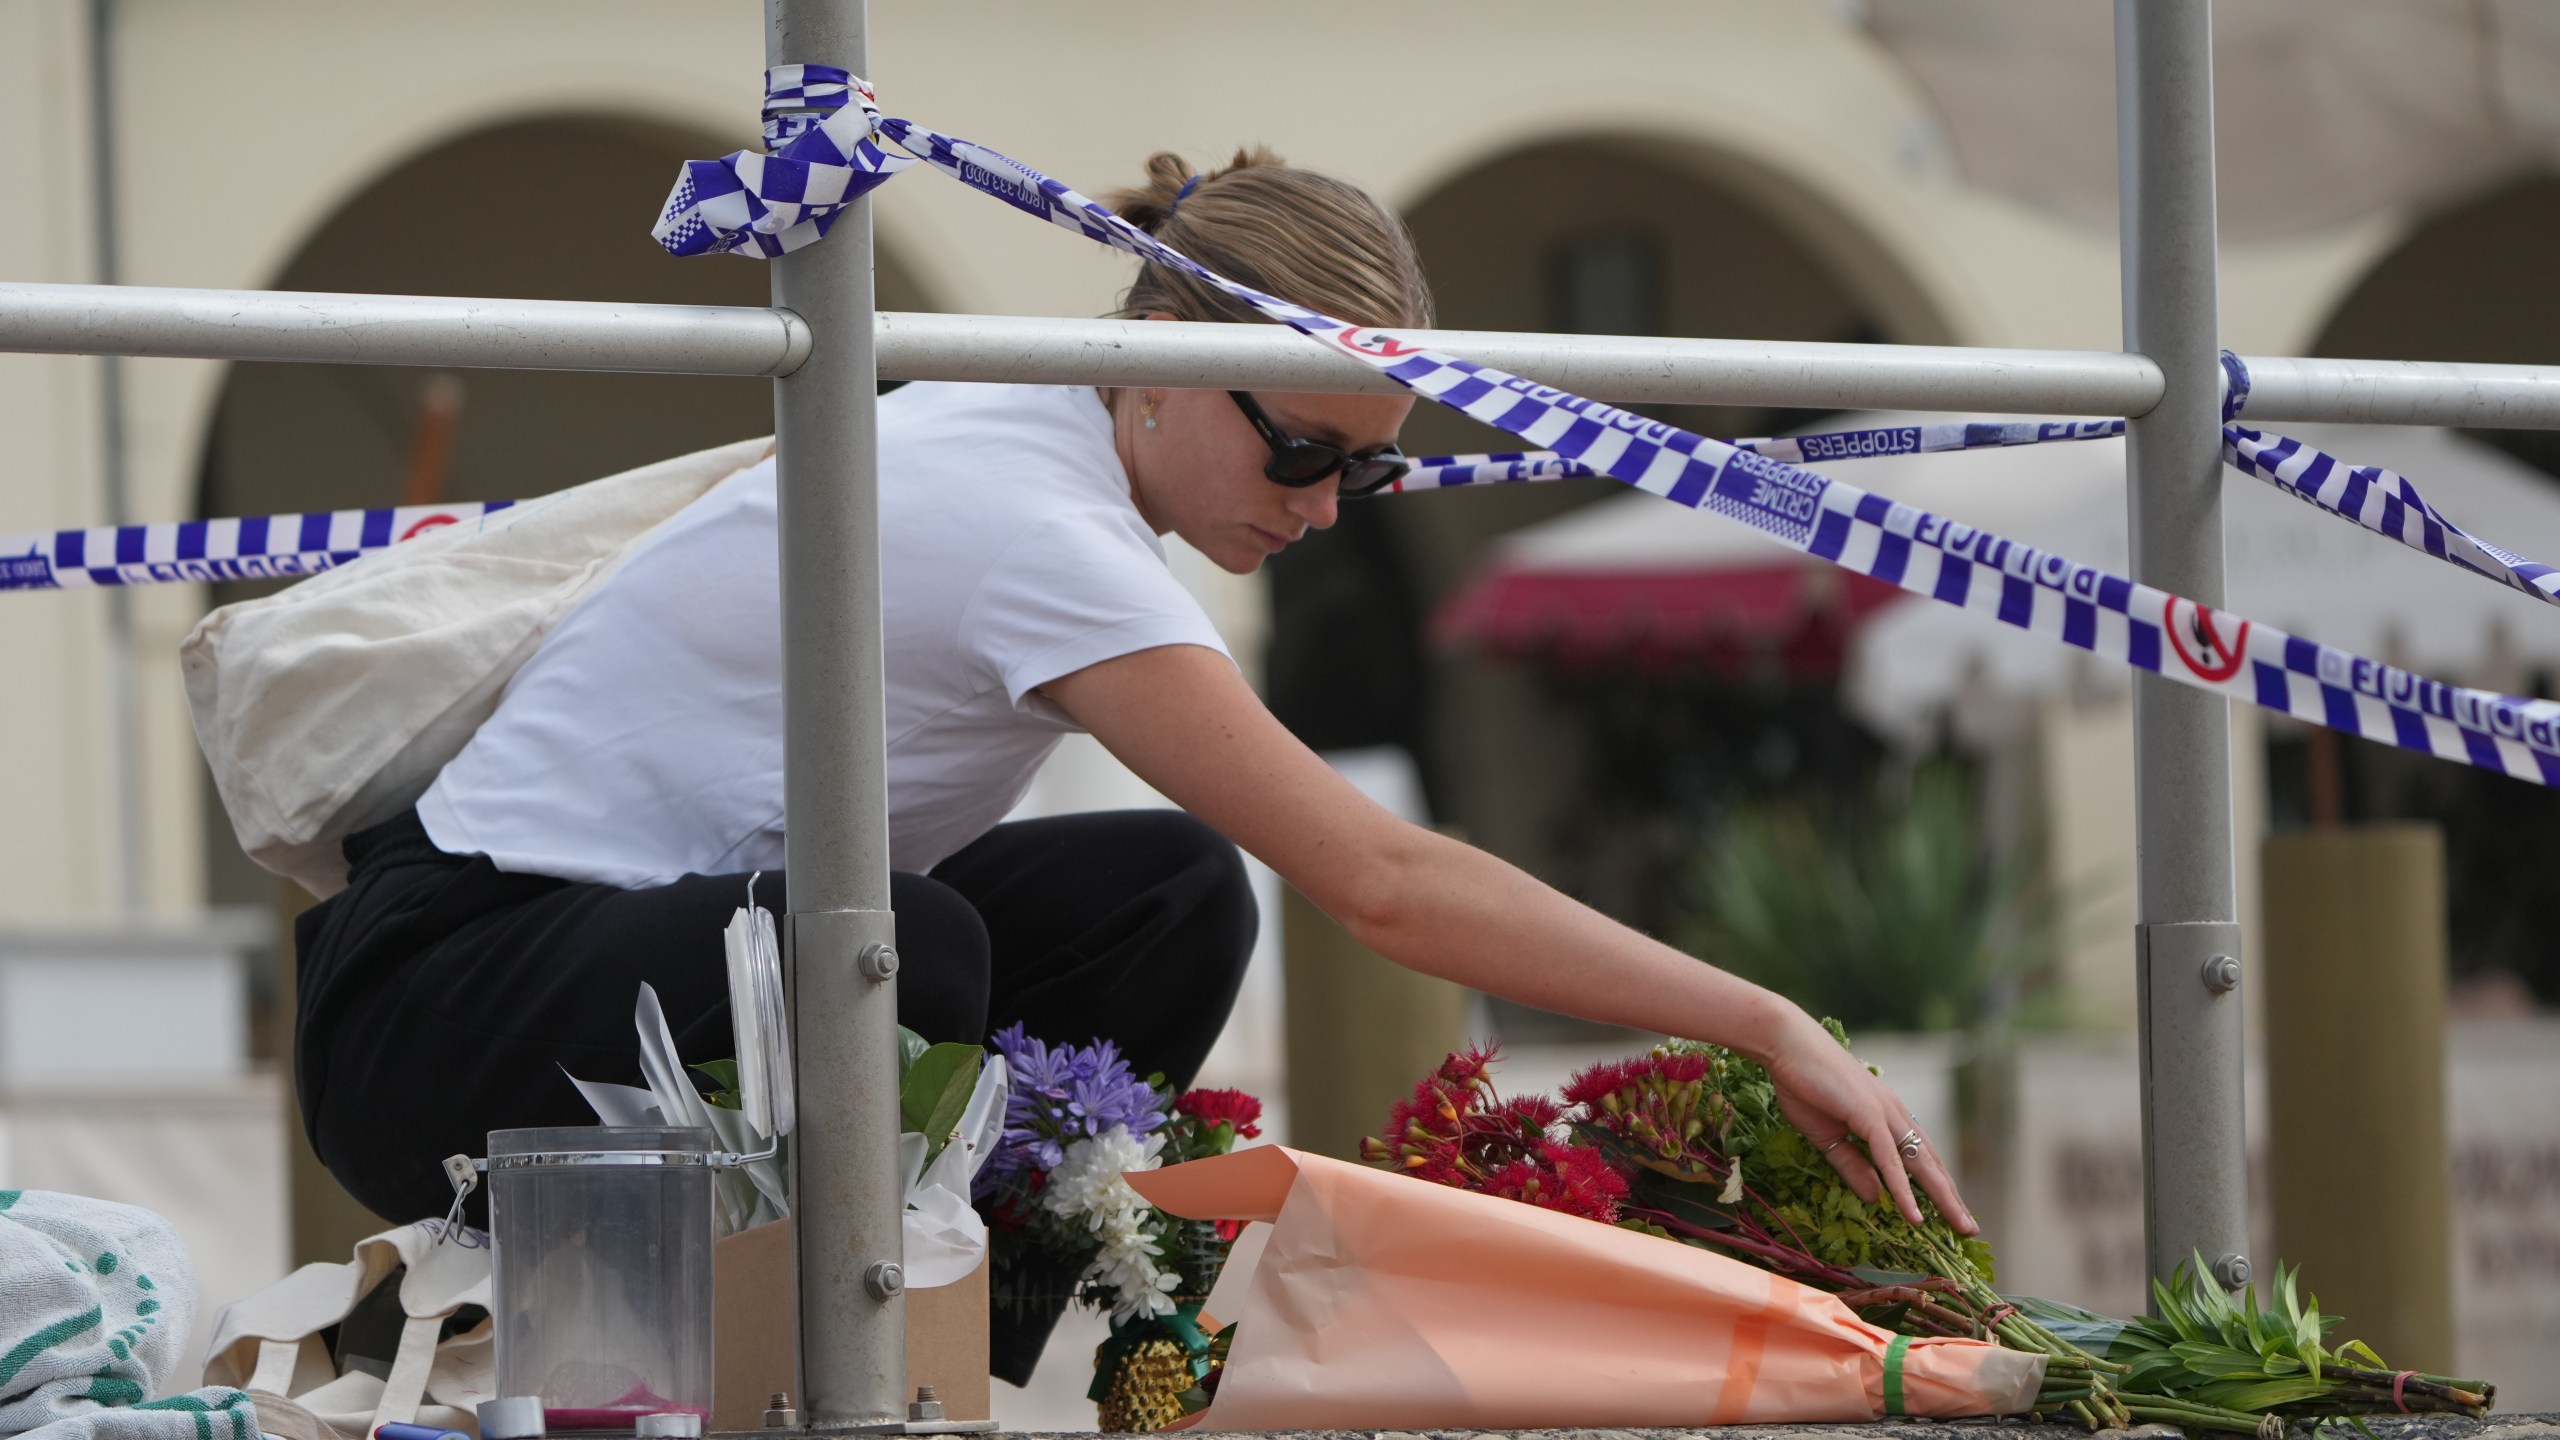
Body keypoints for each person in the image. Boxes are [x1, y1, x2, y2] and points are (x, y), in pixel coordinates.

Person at [292, 146, 1974, 1382]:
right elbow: (1382, 879)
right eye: (1300, 449)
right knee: (899, 946)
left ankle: (1008, 1328)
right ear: (1164, 347)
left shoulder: (1041, 433)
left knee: (1168, 890)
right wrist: (1758, 1013)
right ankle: (874, 1354)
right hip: (435, 1009)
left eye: (1364, 478)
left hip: (583, 961)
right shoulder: (1041, 526)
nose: (1319, 511)